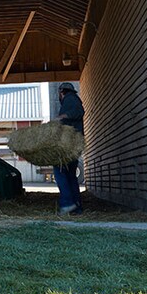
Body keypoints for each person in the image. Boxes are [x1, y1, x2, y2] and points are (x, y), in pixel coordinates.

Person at [53, 83, 85, 215]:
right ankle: (76, 206)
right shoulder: (72, 99)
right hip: (73, 143)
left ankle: (67, 203)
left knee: (59, 170)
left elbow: (79, 112)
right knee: (70, 175)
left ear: (61, 92)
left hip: (69, 143)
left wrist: (62, 117)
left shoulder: (70, 98)